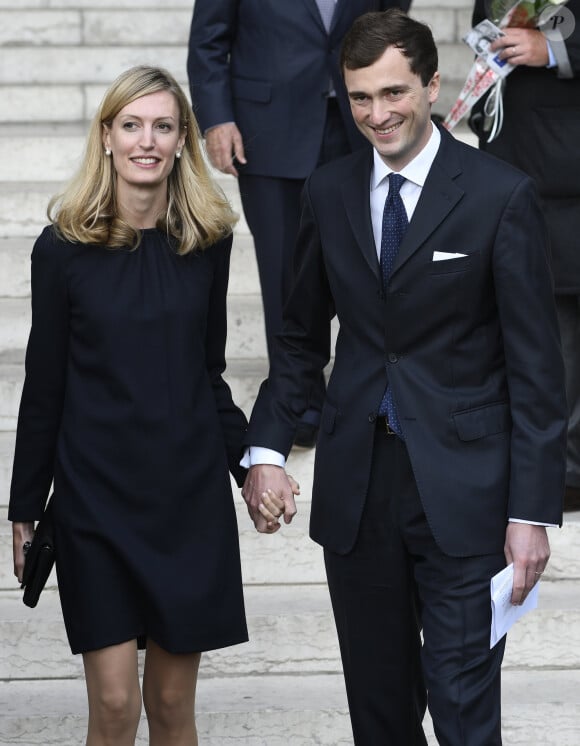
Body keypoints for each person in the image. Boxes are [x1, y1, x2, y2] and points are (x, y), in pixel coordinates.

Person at [241, 9, 567, 745]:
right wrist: (264, 451)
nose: (377, 114)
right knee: (381, 721)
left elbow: (538, 374)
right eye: (360, 98)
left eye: (393, 93)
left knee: (462, 715)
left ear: (431, 84)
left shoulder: (498, 195)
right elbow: (297, 343)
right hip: (359, 494)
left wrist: (531, 512)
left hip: (467, 497)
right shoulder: (326, 191)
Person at [9, 65, 249, 746]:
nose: (148, 140)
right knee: (115, 707)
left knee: (172, 707)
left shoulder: (207, 243)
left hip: (187, 504)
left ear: (182, 142)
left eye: (163, 126)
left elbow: (209, 374)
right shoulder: (61, 250)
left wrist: (251, 465)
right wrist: (25, 505)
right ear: (107, 137)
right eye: (132, 125)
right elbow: (45, 384)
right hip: (95, 502)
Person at [187, 0, 410, 448]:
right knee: (284, 271)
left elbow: (393, 16)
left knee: (371, 263)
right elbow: (208, 40)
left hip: (361, 122)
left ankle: (377, 390)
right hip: (267, 127)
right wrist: (216, 118)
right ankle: (301, 401)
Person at [469, 0, 580, 512]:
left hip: (566, 161)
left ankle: (568, 468)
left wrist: (553, 47)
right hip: (508, 146)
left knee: (561, 323)